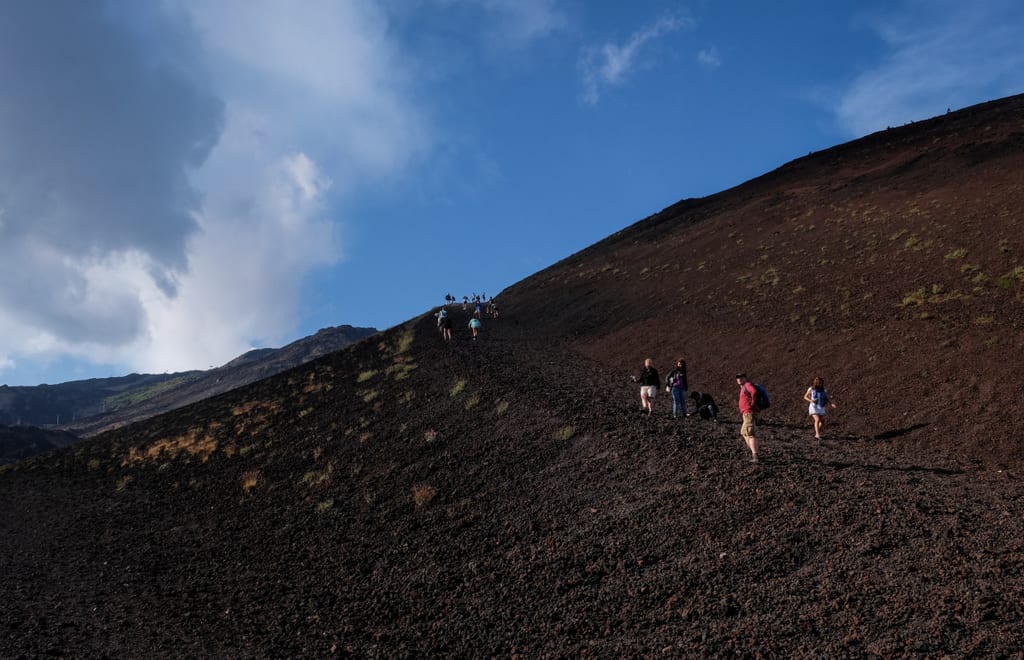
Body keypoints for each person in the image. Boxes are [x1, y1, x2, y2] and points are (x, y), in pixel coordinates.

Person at [736, 373, 759, 463]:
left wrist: (753, 403)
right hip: (746, 413)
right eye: (737, 378)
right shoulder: (743, 388)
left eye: (741, 377)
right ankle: (754, 452)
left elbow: (754, 392)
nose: (739, 379)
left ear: (745, 378)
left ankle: (755, 456)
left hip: (749, 412)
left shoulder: (747, 385)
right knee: (744, 432)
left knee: (750, 433)